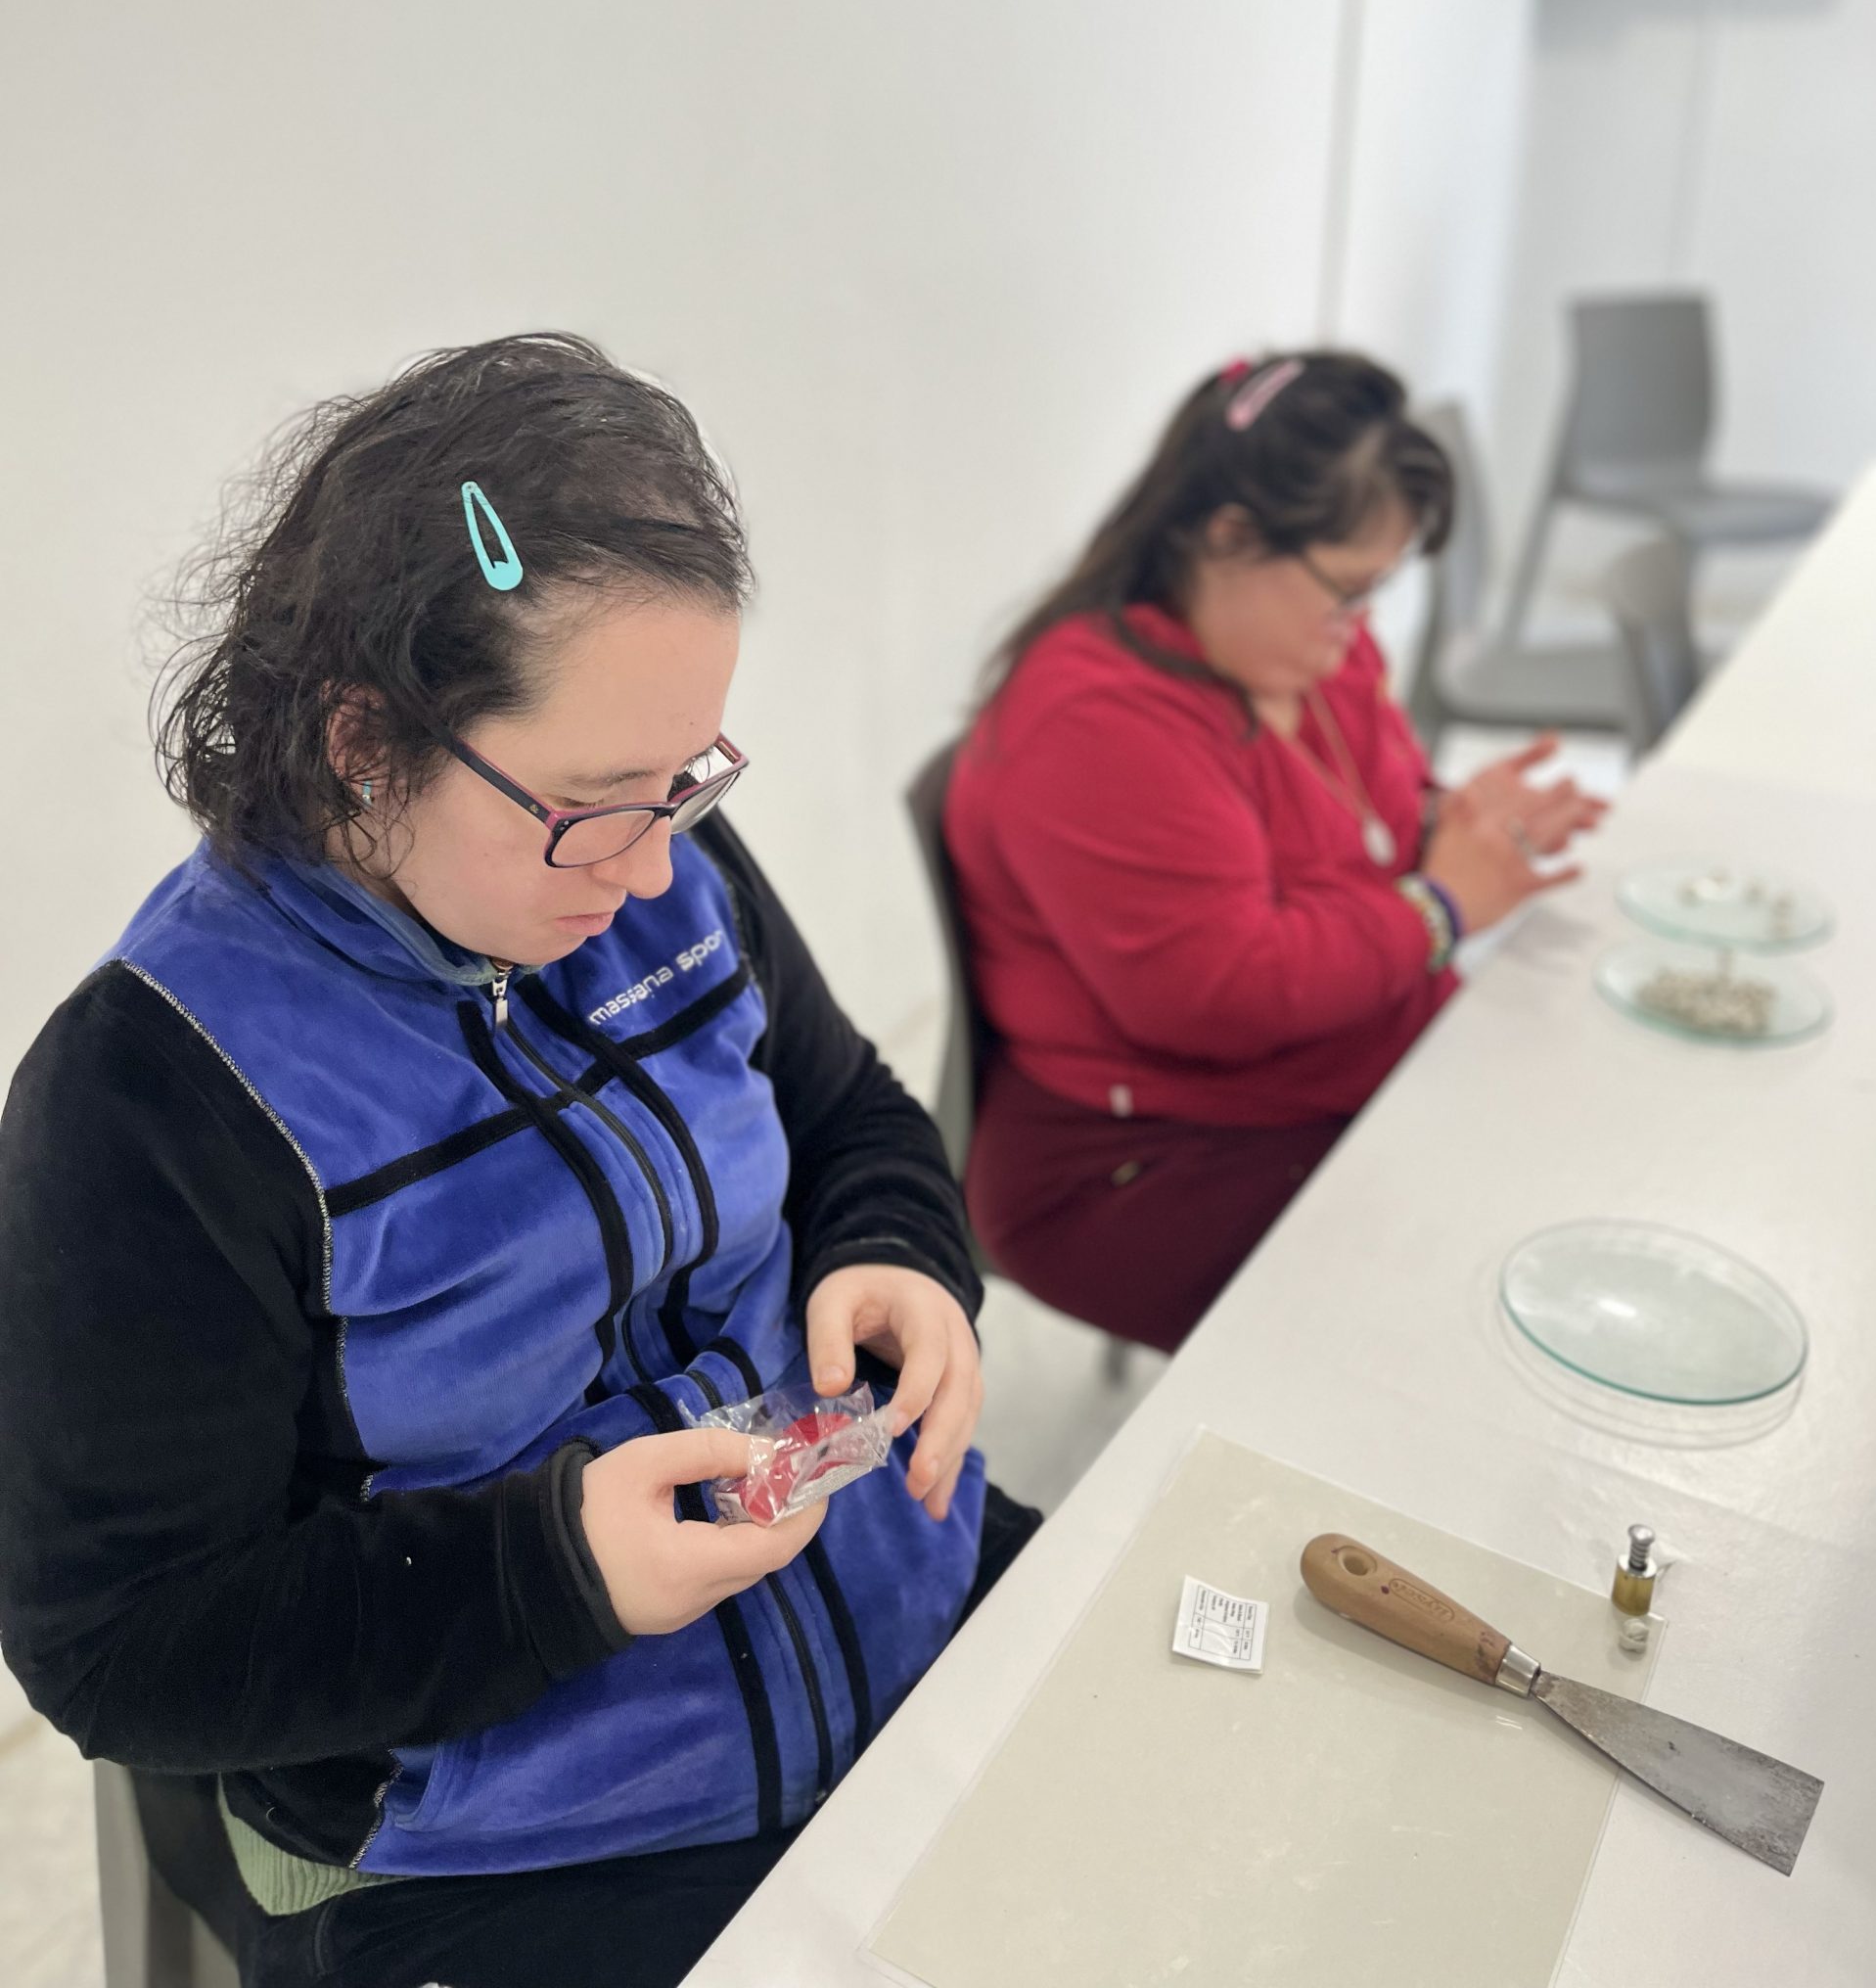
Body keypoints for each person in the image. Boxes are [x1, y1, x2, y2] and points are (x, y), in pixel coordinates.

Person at [0, 336, 1036, 1988]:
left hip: (896, 1596)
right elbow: (117, 1647)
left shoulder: (654, 864)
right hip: (507, 1837)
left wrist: (897, 1255)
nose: (653, 871)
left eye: (684, 784)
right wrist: (547, 1571)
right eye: (593, 803)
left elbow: (849, 1114)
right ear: (362, 744)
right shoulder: (156, 1096)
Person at [944, 351, 1604, 1354]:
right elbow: (1223, 992)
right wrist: (1440, 905)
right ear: (1230, 537)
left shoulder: (1306, 649)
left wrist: (1456, 825)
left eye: (1375, 590)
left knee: (1572, 1176)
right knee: (1483, 1317)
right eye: (1346, 589)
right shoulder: (1096, 721)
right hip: (1146, 1161)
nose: (1359, 627)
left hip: (1324, 1078)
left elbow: (1369, 820)